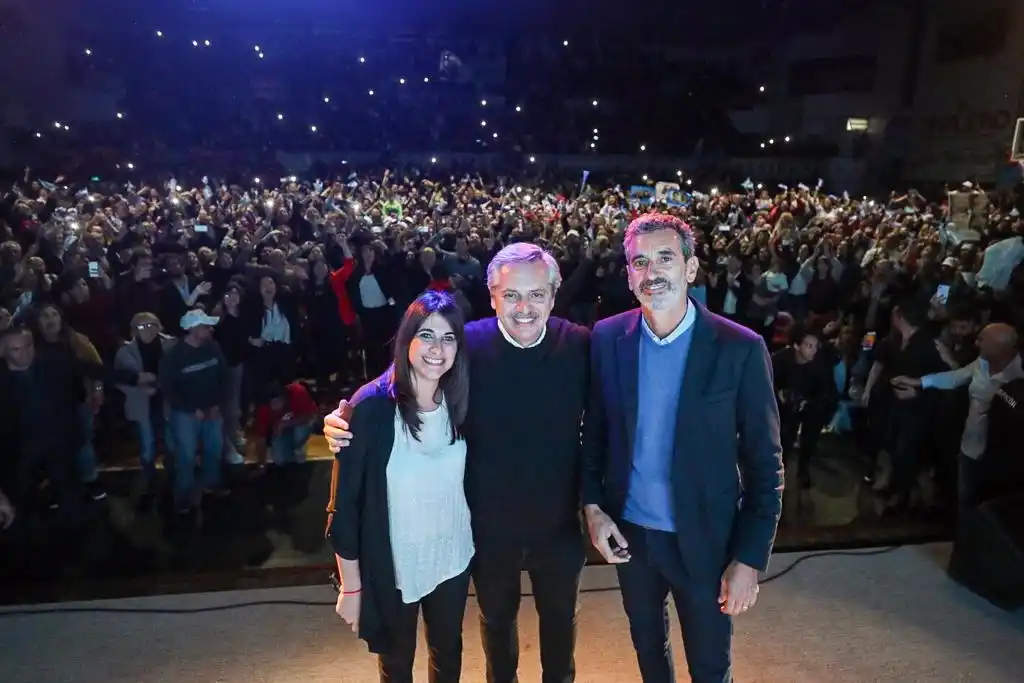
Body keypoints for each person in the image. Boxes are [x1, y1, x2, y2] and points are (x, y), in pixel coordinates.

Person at [326, 242, 590, 683]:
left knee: (560, 631)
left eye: (537, 294)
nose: (525, 307)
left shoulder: (580, 344)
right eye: (512, 295)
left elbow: (607, 421)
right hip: (487, 530)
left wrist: (596, 504)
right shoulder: (472, 343)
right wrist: (349, 413)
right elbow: (416, 360)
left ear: (553, 293)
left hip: (558, 526)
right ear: (493, 296)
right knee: (494, 629)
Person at [581, 213, 784, 683]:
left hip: (707, 540)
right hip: (632, 537)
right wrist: (592, 508)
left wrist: (750, 558)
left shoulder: (740, 348)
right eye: (640, 262)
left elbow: (764, 465)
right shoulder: (609, 338)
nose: (652, 273)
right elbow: (594, 433)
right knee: (649, 652)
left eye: (665, 258)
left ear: (690, 269)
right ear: (629, 275)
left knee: (711, 668)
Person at [329, 290, 473, 683]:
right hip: (392, 563)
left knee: (449, 653)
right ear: (407, 338)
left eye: (448, 338)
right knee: (396, 664)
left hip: (452, 554)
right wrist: (351, 588)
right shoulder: (372, 408)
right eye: (426, 335)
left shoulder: (462, 399)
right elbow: (345, 507)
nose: (437, 349)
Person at [891, 323, 1023, 517]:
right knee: (965, 501)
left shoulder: (1019, 376)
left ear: (999, 347)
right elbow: (956, 377)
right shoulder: (983, 362)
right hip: (969, 445)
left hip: (998, 457)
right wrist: (920, 382)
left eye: (982, 340)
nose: (976, 343)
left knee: (989, 509)